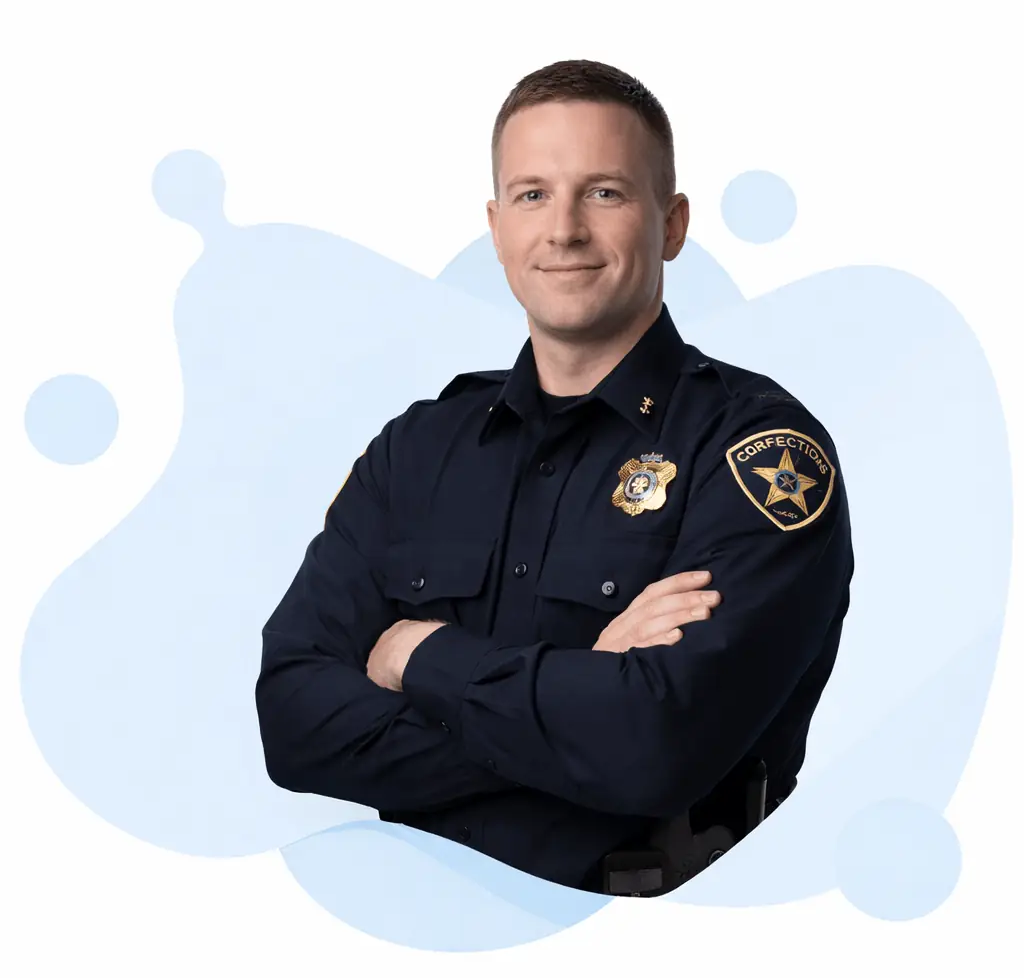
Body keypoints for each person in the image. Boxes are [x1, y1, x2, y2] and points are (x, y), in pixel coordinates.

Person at [255, 58, 854, 896]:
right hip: (409, 921)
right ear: (496, 227)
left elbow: (652, 750)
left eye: (604, 192)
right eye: (533, 194)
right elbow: (292, 723)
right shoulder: (417, 449)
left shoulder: (757, 452)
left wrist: (418, 656)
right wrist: (578, 692)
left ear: (672, 224)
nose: (564, 229)